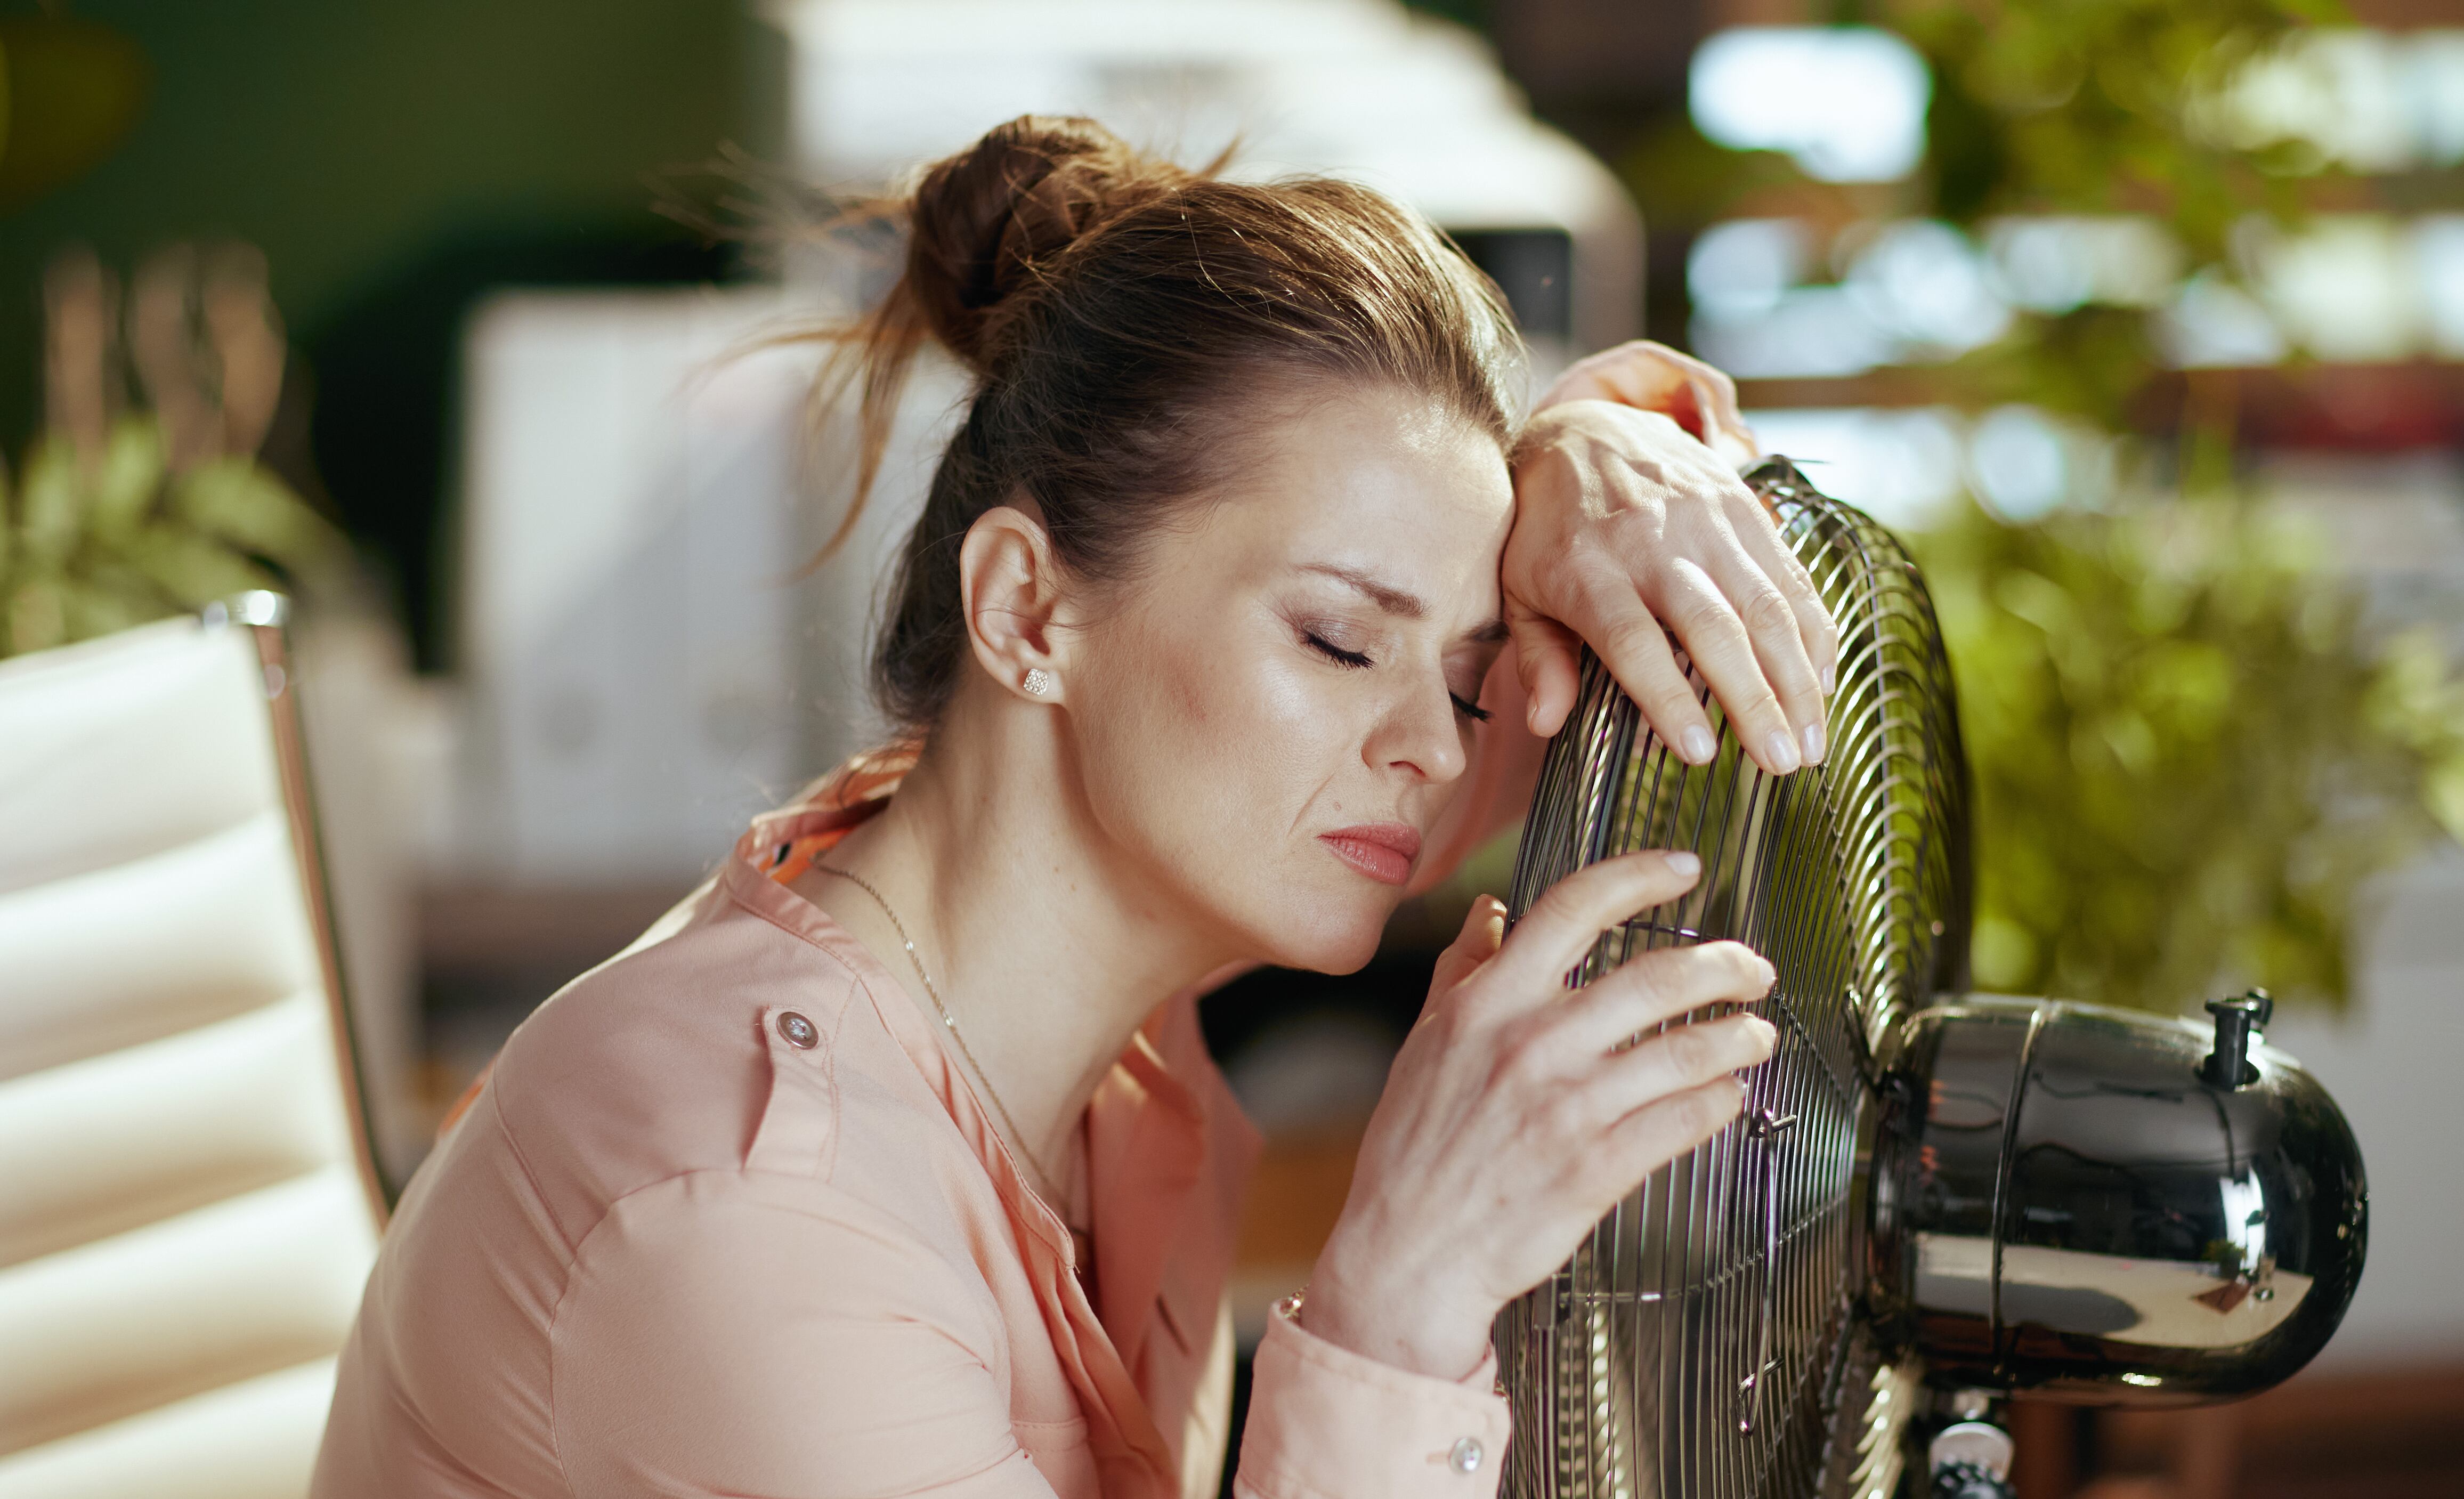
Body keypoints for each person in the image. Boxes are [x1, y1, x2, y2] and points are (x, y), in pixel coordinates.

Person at [311, 116, 1838, 1499]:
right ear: (1030, 612)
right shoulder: (755, 1220)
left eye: (1461, 672)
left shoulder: (1048, 931)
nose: (1438, 750)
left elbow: (1618, 632)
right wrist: (1398, 1303)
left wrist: (1581, 444)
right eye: (1335, 639)